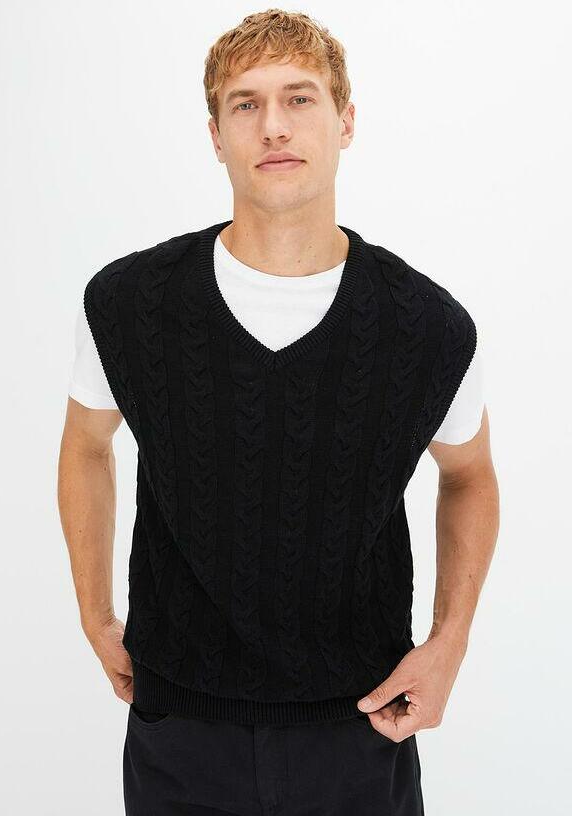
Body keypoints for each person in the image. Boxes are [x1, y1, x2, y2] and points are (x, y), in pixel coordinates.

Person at [57, 9, 499, 815]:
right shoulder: (130, 304)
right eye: (246, 103)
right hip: (180, 727)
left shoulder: (426, 327)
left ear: (346, 121)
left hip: (362, 726)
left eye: (300, 98)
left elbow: (469, 475)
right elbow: (88, 442)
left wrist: (450, 641)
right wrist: (94, 613)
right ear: (216, 135)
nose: (274, 127)